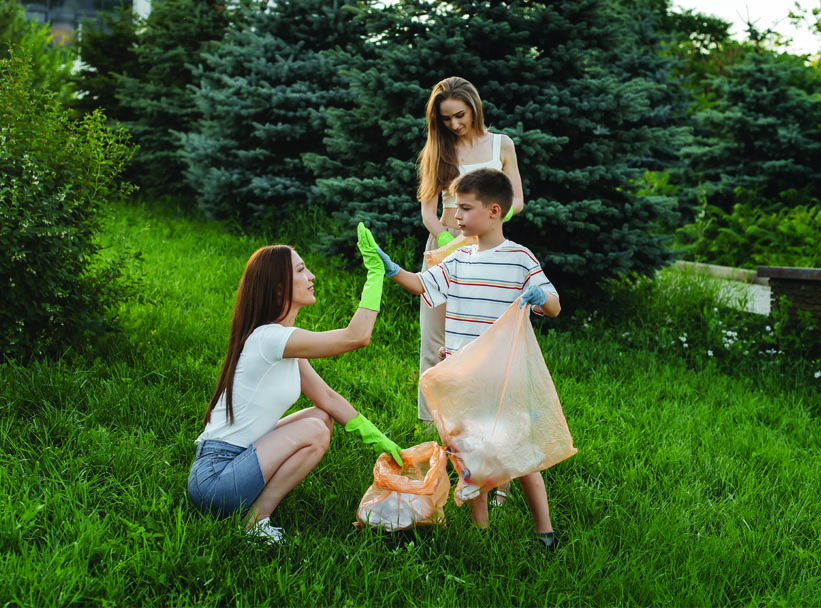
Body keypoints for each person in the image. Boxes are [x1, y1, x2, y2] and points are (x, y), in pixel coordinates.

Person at [365, 168, 561, 550]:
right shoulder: (458, 259)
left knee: (519, 454)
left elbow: (553, 306)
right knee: (471, 456)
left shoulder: (519, 258)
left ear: (493, 211)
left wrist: (541, 296)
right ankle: (480, 533)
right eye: (455, 208)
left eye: (465, 209)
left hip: (502, 378)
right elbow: (422, 285)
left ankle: (544, 532)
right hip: (463, 377)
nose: (455, 217)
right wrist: (392, 271)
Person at [187, 225, 403, 543]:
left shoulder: (279, 343)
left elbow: (327, 398)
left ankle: (253, 516)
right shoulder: (270, 338)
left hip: (229, 466)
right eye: (301, 270)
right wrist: (374, 274)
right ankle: (254, 524)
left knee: (319, 418)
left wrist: (386, 444)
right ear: (278, 289)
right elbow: (357, 337)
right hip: (217, 479)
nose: (311, 276)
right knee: (314, 431)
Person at [416, 76, 524, 419]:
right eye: (446, 119)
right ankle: (437, 422)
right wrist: (450, 242)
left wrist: (486, 228)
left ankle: (483, 414)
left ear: (474, 107)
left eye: (460, 115)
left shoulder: (501, 145)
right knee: (436, 337)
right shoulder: (439, 148)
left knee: (484, 335)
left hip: (488, 249)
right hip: (446, 245)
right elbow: (427, 212)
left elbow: (517, 199)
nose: (454, 124)